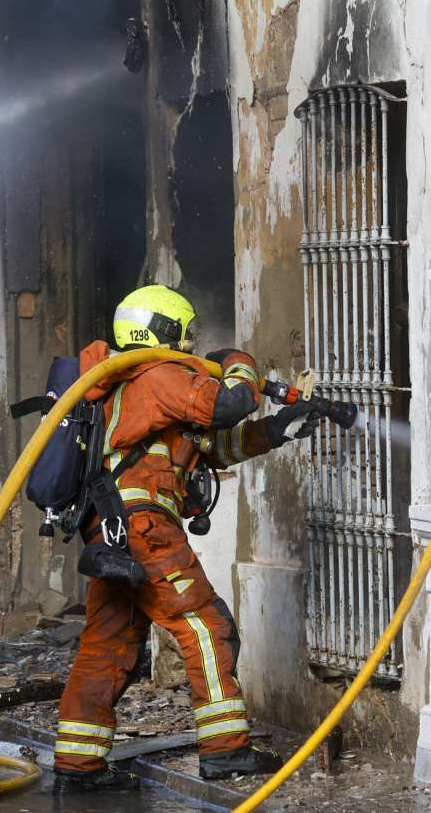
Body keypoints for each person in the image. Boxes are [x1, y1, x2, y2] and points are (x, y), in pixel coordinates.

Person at [53, 283, 317, 793]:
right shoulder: (157, 373)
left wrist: (280, 428)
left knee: (107, 643)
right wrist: (240, 362)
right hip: (145, 528)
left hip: (115, 531)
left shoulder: (129, 384)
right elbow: (228, 404)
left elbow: (211, 447)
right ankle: (225, 751)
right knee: (206, 624)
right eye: (187, 334)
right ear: (162, 331)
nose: (193, 345)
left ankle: (77, 764)